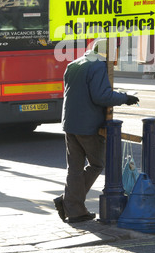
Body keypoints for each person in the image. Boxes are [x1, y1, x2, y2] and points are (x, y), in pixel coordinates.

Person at [53, 39, 139, 223]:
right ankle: (70, 202)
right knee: (97, 163)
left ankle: (74, 209)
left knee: (74, 168)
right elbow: (101, 96)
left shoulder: (74, 64)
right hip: (88, 125)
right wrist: (125, 98)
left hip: (70, 123)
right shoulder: (98, 67)